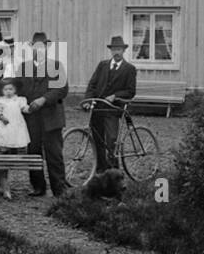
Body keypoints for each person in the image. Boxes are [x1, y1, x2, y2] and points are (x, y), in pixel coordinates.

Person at [20, 30, 70, 197]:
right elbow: (18, 90)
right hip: (31, 117)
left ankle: (59, 189)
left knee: (54, 153)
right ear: (32, 48)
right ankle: (38, 187)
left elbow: (62, 89)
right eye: (36, 47)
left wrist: (43, 99)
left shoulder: (56, 66)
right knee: (33, 152)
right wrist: (21, 104)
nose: (39, 50)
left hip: (51, 116)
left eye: (42, 47)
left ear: (47, 48)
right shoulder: (24, 67)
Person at [83, 34, 138, 170]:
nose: (116, 52)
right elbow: (92, 84)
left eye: (119, 49)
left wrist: (115, 95)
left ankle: (114, 171)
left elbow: (131, 91)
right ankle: (101, 169)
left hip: (113, 109)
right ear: (111, 51)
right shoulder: (102, 65)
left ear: (123, 51)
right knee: (97, 140)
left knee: (112, 140)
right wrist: (87, 100)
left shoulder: (129, 69)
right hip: (97, 109)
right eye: (114, 49)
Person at [0, 77, 31, 200]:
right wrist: (1, 117)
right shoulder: (0, 101)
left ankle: (18, 150)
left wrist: (29, 108)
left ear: (15, 90)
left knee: (17, 139)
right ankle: (1, 185)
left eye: (11, 89)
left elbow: (24, 108)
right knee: (4, 152)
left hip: (16, 125)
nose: (8, 91)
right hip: (5, 126)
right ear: (2, 91)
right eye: (6, 89)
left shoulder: (20, 99)